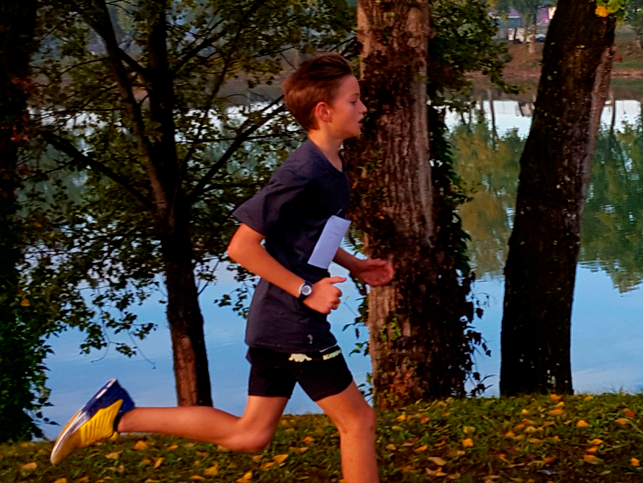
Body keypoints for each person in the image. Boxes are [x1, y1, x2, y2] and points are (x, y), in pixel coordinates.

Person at [50, 54, 395, 483]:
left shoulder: (332, 167)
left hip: (277, 323)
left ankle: (117, 415)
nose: (363, 108)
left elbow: (306, 238)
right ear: (324, 112)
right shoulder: (302, 171)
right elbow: (242, 247)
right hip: (293, 323)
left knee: (250, 434)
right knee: (357, 422)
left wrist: (355, 265)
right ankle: (115, 414)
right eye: (354, 100)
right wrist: (307, 292)